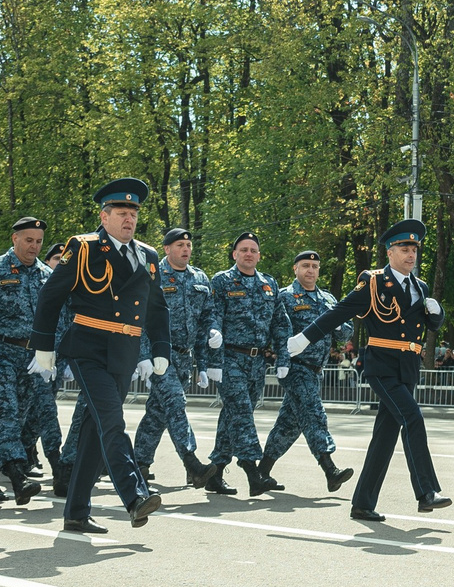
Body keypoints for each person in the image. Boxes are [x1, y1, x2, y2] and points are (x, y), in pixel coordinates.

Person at [287, 219, 452, 523]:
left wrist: (438, 314)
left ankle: (362, 503)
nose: (411, 254)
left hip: (408, 369)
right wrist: (304, 338)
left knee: (385, 437)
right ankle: (427, 492)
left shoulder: (420, 287)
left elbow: (429, 325)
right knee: (412, 417)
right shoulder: (374, 282)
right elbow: (339, 312)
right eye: (404, 248)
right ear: (390, 252)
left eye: (414, 248)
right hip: (382, 368)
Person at [30, 179, 171, 533]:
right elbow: (50, 297)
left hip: (124, 352)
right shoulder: (84, 247)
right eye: (122, 213)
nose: (129, 219)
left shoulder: (148, 255)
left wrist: (160, 349)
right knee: (112, 420)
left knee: (95, 432)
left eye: (133, 213)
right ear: (104, 216)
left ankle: (76, 512)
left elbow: (157, 309)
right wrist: (43, 346)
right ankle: (135, 495)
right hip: (88, 348)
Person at [0, 218, 58, 504]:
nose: (34, 246)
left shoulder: (46, 274)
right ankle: (18, 477)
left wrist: (51, 353)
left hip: (32, 358)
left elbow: (56, 319)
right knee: (7, 416)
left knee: (16, 420)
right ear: (15, 239)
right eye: (29, 240)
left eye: (38, 241)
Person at [254, 249, 353, 495]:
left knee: (289, 424)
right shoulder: (286, 297)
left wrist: (341, 326)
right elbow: (272, 327)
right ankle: (330, 470)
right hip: (295, 368)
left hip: (316, 370)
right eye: (306, 265)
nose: (310, 270)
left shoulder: (328, 299)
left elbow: (345, 334)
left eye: (315, 266)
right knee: (313, 412)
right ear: (295, 269)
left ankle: (261, 473)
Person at [136, 226, 226, 491]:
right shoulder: (153, 275)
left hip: (184, 358)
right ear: (166, 249)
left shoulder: (199, 277)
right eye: (179, 246)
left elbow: (206, 316)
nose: (186, 250)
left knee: (158, 414)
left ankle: (139, 463)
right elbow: (139, 318)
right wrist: (142, 356)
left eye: (188, 246)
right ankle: (192, 463)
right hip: (159, 356)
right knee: (176, 403)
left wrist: (210, 339)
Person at [209, 232, 290, 495]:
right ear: (234, 254)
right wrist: (212, 360)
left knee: (233, 415)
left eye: (253, 250)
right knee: (242, 412)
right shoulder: (222, 281)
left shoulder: (269, 283)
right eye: (243, 249)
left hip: (257, 361)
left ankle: (215, 473)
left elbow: (280, 323)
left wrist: (283, 357)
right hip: (230, 357)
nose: (248, 254)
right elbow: (213, 319)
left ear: (259, 255)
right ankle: (252, 471)